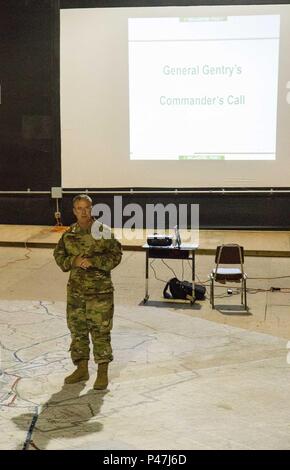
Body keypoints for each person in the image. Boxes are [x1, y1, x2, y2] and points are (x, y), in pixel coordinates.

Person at [53, 194, 122, 390]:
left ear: (92, 209)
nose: (84, 212)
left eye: (87, 208)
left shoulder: (103, 232)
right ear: (74, 211)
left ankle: (102, 373)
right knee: (78, 331)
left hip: (100, 293)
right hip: (76, 293)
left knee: (100, 331)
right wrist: (71, 262)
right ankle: (81, 368)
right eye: (79, 208)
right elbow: (59, 254)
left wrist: (95, 262)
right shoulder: (69, 234)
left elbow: (116, 254)